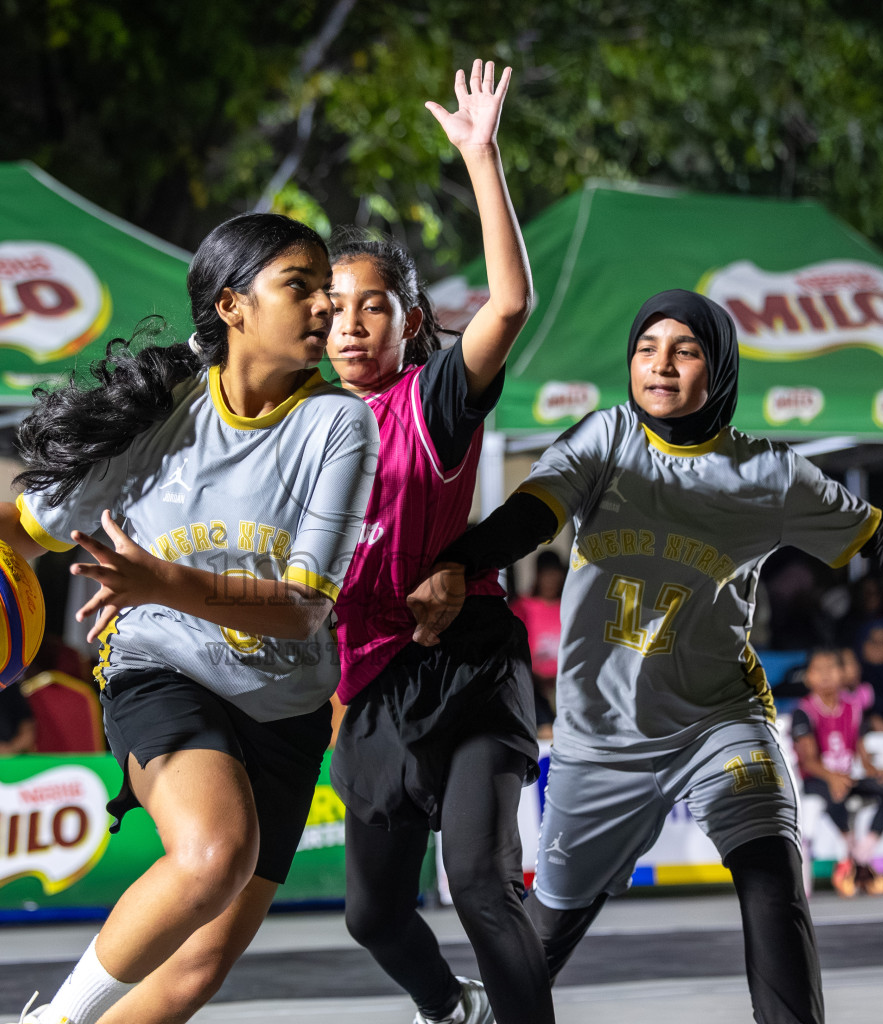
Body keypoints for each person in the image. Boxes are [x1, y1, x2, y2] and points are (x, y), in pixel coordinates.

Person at [409, 289, 883, 1024]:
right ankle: (478, 1013)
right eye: (646, 349)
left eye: (686, 350)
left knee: (771, 868)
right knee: (541, 939)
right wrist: (464, 561)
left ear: (720, 367)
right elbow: (530, 515)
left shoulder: (768, 475)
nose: (661, 365)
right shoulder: (605, 439)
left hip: (718, 720)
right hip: (600, 737)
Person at [0, 212, 377, 1024]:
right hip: (160, 668)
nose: (327, 306)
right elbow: (34, 527)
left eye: (329, 289)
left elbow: (303, 610)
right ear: (232, 304)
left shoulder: (341, 424)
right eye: (301, 287)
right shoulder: (162, 409)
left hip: (285, 704)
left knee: (195, 970)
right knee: (213, 853)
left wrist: (161, 578)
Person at [325, 61, 550, 1024]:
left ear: (410, 319)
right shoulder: (295, 433)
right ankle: (451, 1009)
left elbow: (509, 306)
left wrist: (481, 160)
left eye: (372, 304)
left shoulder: (432, 402)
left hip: (467, 666)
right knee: (372, 916)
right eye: (333, 308)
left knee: (481, 883)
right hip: (372, 689)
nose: (350, 324)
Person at [790, 648, 883, 898]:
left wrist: (875, 771)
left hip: (846, 778)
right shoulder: (804, 711)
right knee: (834, 792)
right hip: (817, 779)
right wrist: (832, 777)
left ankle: (860, 855)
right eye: (818, 670)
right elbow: (808, 761)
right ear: (808, 677)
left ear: (843, 673)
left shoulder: (854, 707)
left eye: (831, 668)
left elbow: (861, 752)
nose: (825, 675)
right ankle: (857, 861)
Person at [512, 550, 567, 738]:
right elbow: (515, 653)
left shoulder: (568, 606)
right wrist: (537, 676)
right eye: (546, 574)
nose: (550, 580)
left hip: (564, 685)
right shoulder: (522, 607)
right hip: (533, 686)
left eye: (554, 574)